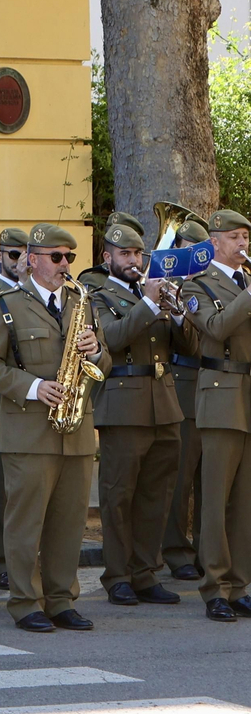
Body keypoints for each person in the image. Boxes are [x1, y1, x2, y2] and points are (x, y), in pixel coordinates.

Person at [0, 223, 108, 632]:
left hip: (76, 429)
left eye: (69, 257)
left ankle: (61, 599)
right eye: (56, 257)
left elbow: (105, 365)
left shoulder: (81, 301)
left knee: (69, 522)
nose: (65, 264)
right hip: (29, 430)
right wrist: (33, 386)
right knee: (25, 522)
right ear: (32, 259)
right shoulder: (6, 302)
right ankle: (25, 601)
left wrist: (97, 350)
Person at [88, 221, 184, 608]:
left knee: (155, 496)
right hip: (122, 405)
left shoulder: (156, 292)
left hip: (164, 402)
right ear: (107, 257)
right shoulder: (96, 294)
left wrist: (177, 312)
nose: (134, 260)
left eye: (138, 254)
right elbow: (109, 339)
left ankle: (146, 573)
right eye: (125, 254)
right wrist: (147, 303)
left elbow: (189, 345)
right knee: (118, 496)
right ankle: (118, 576)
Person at [181, 209, 251, 622]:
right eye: (236, 236)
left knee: (244, 501)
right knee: (216, 498)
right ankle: (215, 588)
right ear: (216, 242)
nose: (243, 243)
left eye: (246, 236)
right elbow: (216, 328)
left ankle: (241, 585)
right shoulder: (198, 285)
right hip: (222, 393)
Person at [164, 218, 211, 582]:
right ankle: (177, 550)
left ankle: (209, 551)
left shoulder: (214, 285)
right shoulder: (169, 285)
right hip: (182, 383)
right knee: (179, 479)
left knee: (210, 481)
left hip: (214, 387)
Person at [0, 225, 30, 590]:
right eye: (14, 255)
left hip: (33, 405)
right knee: (2, 491)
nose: (21, 261)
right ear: (1, 256)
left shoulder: (40, 293)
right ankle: (2, 561)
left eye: (27, 254)